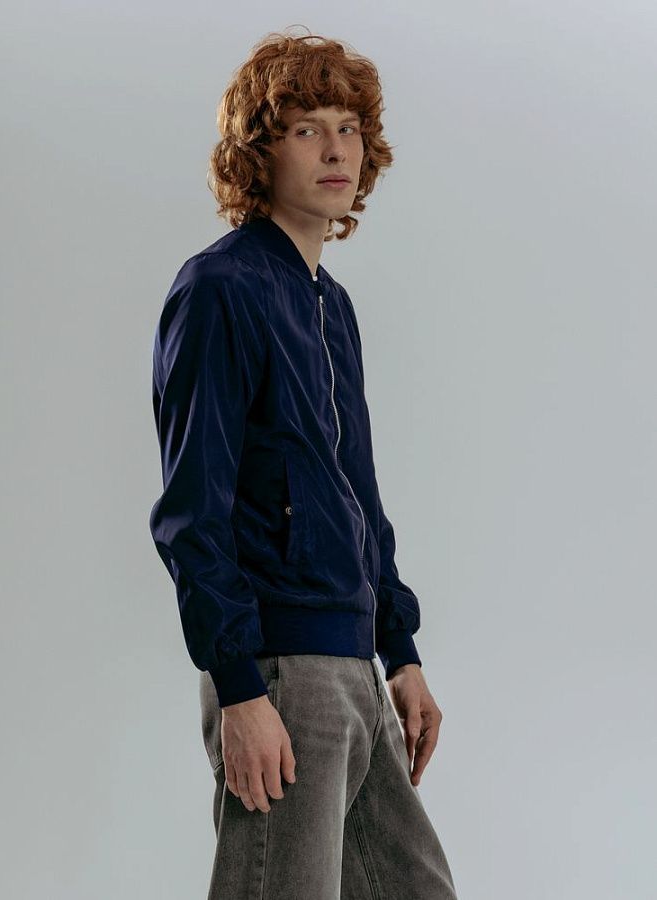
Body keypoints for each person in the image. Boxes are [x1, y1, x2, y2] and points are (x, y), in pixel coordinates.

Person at [149, 27, 458, 900]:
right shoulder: (221, 288)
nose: (335, 150)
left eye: (348, 128)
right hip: (280, 671)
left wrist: (399, 650)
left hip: (354, 665)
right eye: (305, 129)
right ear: (260, 151)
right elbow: (191, 511)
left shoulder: (330, 304)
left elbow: (356, 490)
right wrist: (240, 688)